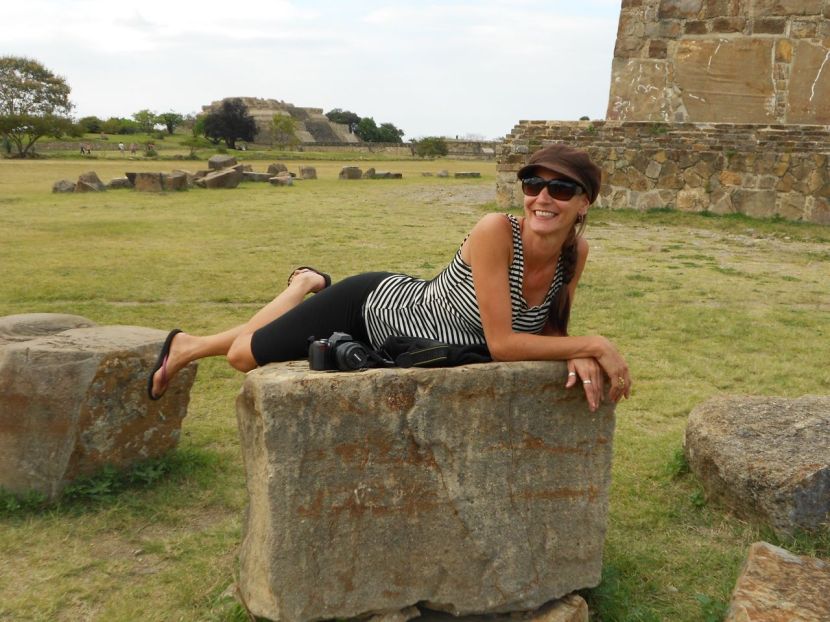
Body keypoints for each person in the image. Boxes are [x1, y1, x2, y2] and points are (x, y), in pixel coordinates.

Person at [148, 144, 631, 411]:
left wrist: (574, 349)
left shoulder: (575, 253)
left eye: (560, 188)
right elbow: (503, 344)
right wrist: (594, 344)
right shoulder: (496, 231)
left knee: (251, 345)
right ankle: (303, 285)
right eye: (533, 184)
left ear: (584, 202)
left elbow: (549, 328)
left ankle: (189, 346)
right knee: (241, 357)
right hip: (369, 307)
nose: (543, 198)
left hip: (404, 334)